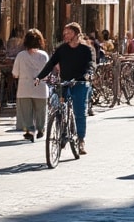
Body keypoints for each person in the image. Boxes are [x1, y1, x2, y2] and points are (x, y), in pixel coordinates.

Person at [37, 22, 95, 154]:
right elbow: (50, 63)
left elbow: (91, 64)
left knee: (79, 112)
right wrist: (39, 77)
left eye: (68, 33)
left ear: (75, 34)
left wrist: (88, 74)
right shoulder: (61, 49)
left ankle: (80, 140)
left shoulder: (86, 50)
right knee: (60, 108)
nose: (65, 35)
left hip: (80, 83)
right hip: (65, 82)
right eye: (65, 33)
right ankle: (62, 132)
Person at [11, 29, 49, 143]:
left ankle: (29, 130)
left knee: (26, 111)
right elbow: (47, 73)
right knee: (41, 110)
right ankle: (41, 128)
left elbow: (15, 73)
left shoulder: (21, 56)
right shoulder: (44, 55)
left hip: (24, 87)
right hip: (40, 87)